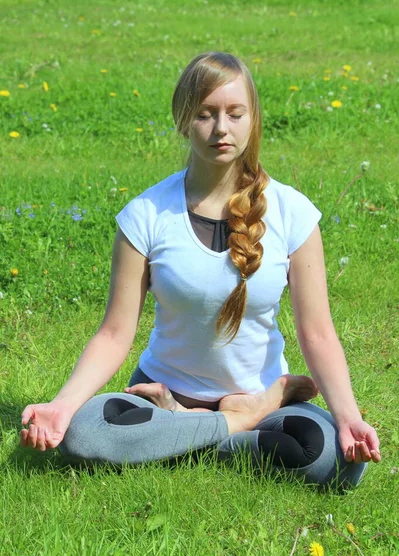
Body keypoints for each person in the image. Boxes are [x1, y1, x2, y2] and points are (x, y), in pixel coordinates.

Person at [20, 52, 381, 488]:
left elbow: (318, 333)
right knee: (83, 433)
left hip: (255, 390)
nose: (221, 129)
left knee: (337, 461)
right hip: (158, 397)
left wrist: (349, 419)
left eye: (235, 113)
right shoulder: (145, 215)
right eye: (206, 115)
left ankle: (182, 438)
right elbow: (115, 334)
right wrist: (61, 405)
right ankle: (239, 425)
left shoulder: (294, 214)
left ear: (253, 119)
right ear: (183, 121)